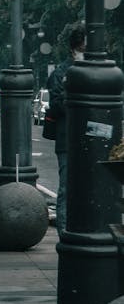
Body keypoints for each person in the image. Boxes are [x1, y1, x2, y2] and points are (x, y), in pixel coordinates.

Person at [47, 24, 86, 237]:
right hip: (67, 140)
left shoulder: (96, 70)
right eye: (84, 49)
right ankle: (64, 232)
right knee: (66, 189)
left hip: (89, 139)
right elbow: (55, 104)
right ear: (75, 48)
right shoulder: (61, 73)